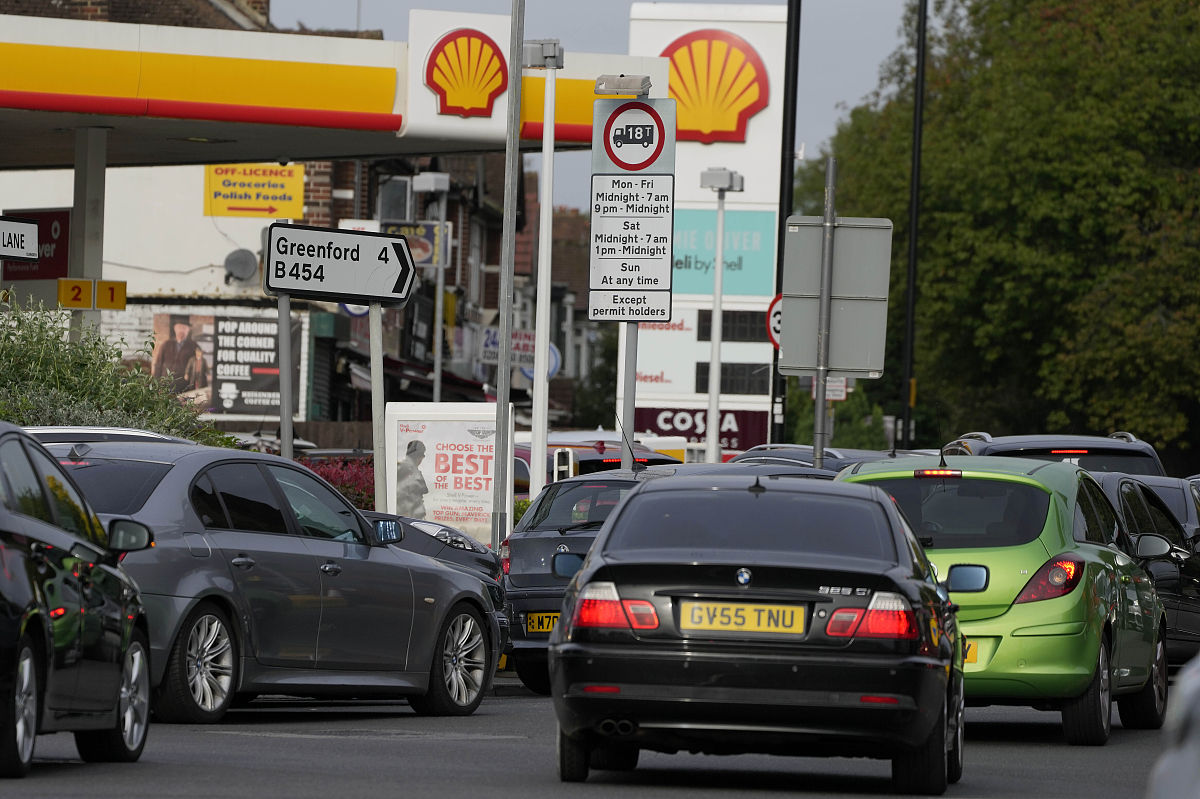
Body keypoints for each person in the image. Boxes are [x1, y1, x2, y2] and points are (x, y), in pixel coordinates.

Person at [151, 317, 199, 394]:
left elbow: (197, 367)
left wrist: (193, 387)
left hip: (184, 387)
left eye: (184, 328)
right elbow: (158, 365)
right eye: (179, 327)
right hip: (165, 385)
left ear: (188, 330)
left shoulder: (194, 346)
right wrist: (156, 385)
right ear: (175, 329)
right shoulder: (166, 344)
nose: (181, 330)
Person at [395, 439, 429, 518]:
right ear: (418, 456)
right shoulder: (406, 468)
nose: (421, 460)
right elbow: (401, 492)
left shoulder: (411, 468)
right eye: (422, 456)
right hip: (407, 516)